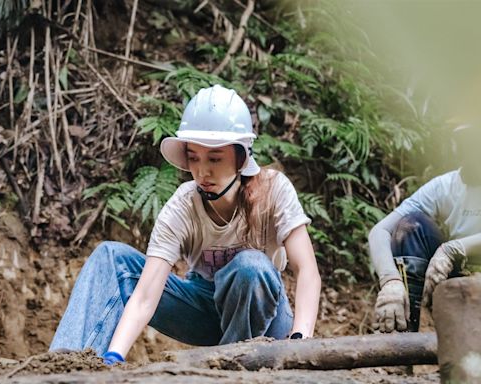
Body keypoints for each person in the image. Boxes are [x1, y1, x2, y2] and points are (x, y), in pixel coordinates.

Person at [49, 84, 321, 364]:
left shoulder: (274, 189)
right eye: (194, 158)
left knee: (250, 267)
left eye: (215, 158)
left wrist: (300, 340)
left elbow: (307, 271)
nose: (203, 171)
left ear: (241, 158)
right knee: (111, 258)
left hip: (268, 317)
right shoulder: (182, 205)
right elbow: (144, 295)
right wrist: (113, 356)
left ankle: (229, 369)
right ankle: (62, 366)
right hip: (204, 308)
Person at [369, 124, 481, 333]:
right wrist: (390, 281)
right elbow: (380, 231)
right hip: (458, 279)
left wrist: (455, 247)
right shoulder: (445, 187)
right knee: (411, 226)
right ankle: (401, 345)